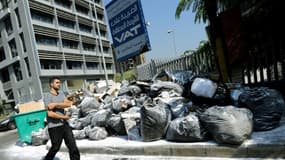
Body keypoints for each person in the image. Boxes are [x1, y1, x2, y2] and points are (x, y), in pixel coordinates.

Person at [43, 76, 80, 160]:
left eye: (59, 82)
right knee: (55, 147)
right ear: (51, 84)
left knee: (72, 145)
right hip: (54, 126)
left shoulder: (61, 94)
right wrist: (63, 116)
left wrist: (55, 104)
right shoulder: (47, 96)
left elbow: (67, 104)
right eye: (57, 82)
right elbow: (50, 114)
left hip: (64, 124)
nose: (59, 84)